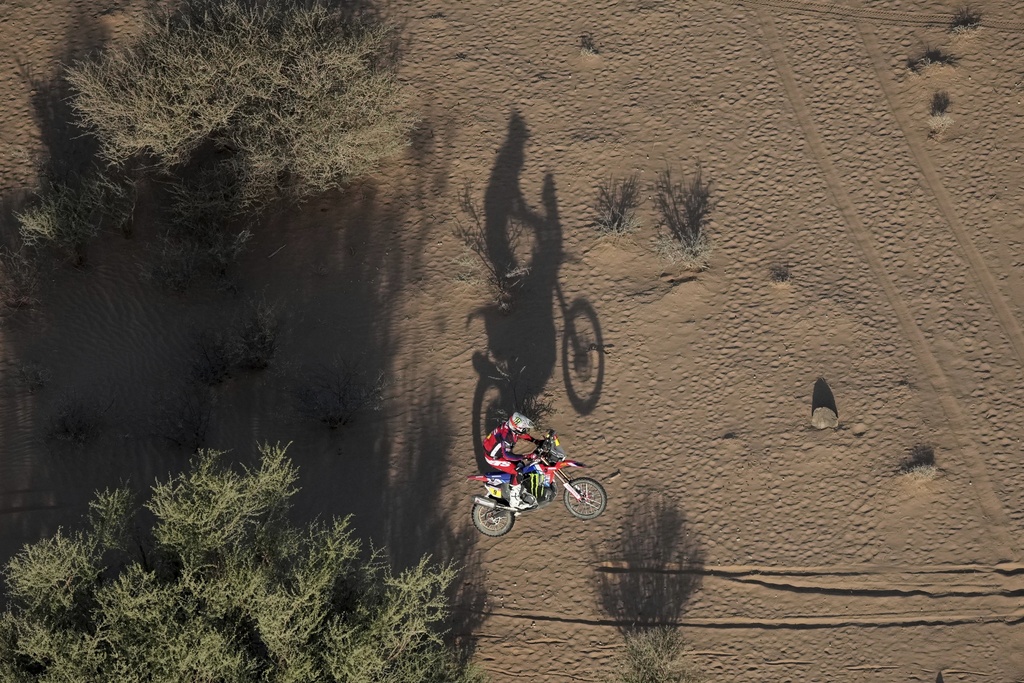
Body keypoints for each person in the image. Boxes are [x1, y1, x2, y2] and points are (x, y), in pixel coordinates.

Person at [483, 412, 542, 510]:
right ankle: (515, 501)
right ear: (515, 427)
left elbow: (521, 435)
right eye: (522, 428)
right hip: (494, 458)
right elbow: (508, 455)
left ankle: (518, 488)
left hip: (497, 453)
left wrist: (535, 441)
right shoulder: (507, 435)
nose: (524, 430)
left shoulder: (510, 427)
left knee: (522, 466)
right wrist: (526, 456)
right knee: (517, 471)